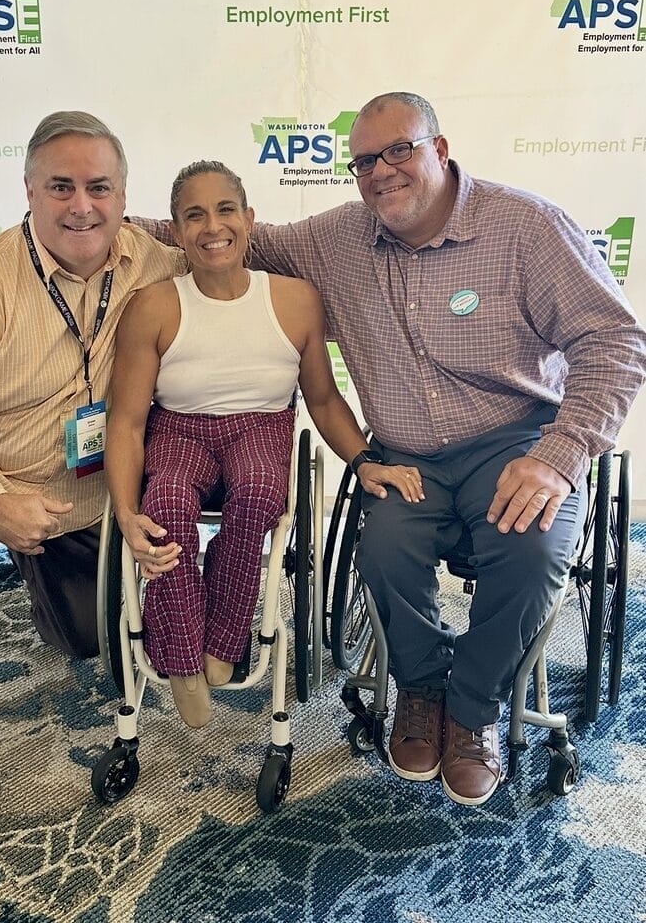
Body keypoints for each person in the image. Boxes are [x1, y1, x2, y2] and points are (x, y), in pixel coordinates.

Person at [132, 93, 646, 805]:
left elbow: (616, 341)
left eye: (399, 150)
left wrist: (561, 454)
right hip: (405, 457)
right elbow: (229, 233)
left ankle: (473, 710)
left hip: (516, 440)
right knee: (382, 550)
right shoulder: (338, 237)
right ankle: (421, 688)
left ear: (440, 149)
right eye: (364, 160)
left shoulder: (525, 226)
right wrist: (100, 220)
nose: (381, 171)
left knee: (528, 550)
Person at [0, 111, 185, 849]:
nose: (82, 206)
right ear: (28, 191)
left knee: (86, 641)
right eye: (60, 187)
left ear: (123, 195)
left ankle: (43, 575)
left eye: (99, 187)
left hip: (86, 490)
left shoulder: (158, 264)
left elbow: (236, 269)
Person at [107, 160, 423, 727]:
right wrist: (127, 514)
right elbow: (127, 422)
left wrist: (364, 461)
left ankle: (224, 641)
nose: (212, 227)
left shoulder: (296, 299)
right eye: (194, 216)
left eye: (225, 210)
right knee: (166, 504)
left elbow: (323, 399)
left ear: (249, 219)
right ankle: (180, 659)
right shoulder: (153, 305)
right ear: (175, 231)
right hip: (178, 427)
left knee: (257, 494)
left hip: (262, 426)